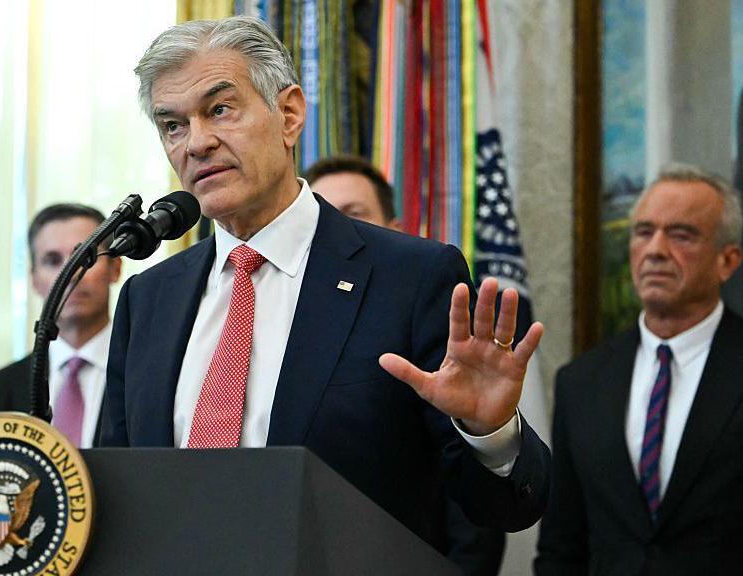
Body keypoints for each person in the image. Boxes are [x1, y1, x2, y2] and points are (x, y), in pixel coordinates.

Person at [100, 15, 550, 555]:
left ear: (289, 114)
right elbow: (120, 491)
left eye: (220, 109)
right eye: (172, 125)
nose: (196, 143)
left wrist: (490, 433)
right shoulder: (147, 298)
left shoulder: (410, 279)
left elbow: (493, 511)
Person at [535, 164, 743, 575]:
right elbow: (562, 547)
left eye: (681, 235)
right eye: (643, 232)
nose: (656, 250)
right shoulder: (581, 382)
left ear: (727, 261)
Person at [306, 155, 506, 575]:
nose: (338, 234)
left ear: (394, 227)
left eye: (354, 216)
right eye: (323, 218)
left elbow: (468, 510)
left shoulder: (427, 301)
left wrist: (489, 431)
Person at [0, 203, 121, 448]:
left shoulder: (147, 377)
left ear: (115, 268)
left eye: (85, 258)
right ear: (34, 279)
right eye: (52, 260)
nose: (70, 273)